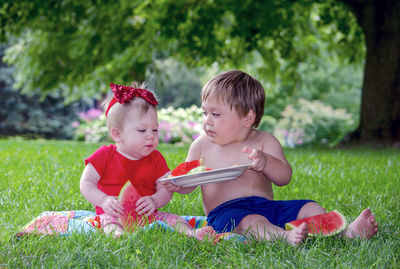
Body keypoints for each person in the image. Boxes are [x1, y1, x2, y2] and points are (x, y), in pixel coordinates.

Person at [161, 70, 379, 245]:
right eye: (204, 113)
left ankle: (347, 233)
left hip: (268, 207)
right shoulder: (201, 146)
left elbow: (284, 177)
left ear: (247, 117)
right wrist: (178, 184)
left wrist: (265, 162)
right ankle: (284, 238)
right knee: (253, 222)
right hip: (226, 214)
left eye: (216, 114)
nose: (207, 120)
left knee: (310, 207)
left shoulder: (264, 141)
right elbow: (190, 181)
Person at [80, 82, 215, 239]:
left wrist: (155, 200)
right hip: (112, 213)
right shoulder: (104, 155)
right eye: (142, 130)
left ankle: (192, 233)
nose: (151, 135)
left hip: (148, 215)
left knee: (172, 219)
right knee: (108, 223)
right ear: (117, 135)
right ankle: (118, 236)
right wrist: (103, 201)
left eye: (155, 129)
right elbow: (86, 183)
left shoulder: (155, 158)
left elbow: (165, 188)